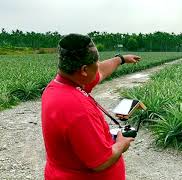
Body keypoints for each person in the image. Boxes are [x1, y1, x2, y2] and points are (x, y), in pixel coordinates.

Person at [41, 33, 141, 179]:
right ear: (84, 70)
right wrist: (121, 144)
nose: (98, 66)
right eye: (96, 62)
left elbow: (101, 71)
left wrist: (121, 59)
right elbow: (100, 162)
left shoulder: (58, 87)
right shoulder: (79, 109)